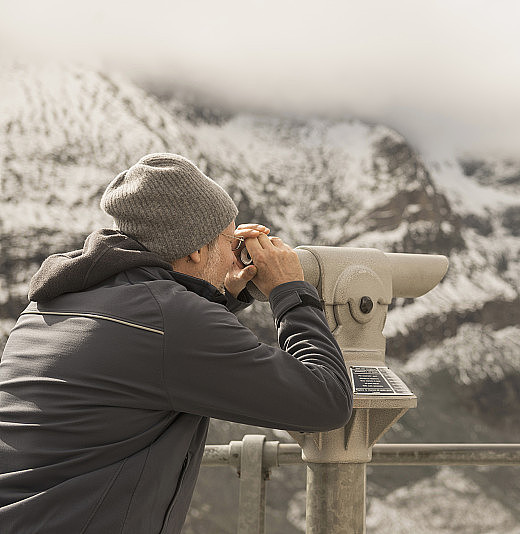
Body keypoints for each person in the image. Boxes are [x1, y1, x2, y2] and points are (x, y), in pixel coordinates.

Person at [0, 153, 353, 533]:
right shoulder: (171, 321)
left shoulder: (55, 300)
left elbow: (156, 354)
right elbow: (326, 401)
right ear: (195, 249)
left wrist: (224, 294)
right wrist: (290, 290)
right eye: (229, 240)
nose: (234, 252)